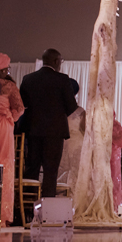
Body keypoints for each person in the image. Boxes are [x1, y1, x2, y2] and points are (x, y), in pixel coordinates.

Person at [19, 49, 78, 198]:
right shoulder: (63, 79)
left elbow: (23, 104)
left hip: (33, 131)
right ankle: (47, 209)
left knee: (31, 169)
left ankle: (28, 207)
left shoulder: (28, 79)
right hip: (54, 132)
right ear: (56, 61)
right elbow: (71, 107)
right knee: (50, 171)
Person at [0, 53, 24, 225]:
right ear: (1, 70)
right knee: (3, 166)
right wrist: (10, 117)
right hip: (2, 127)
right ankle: (3, 214)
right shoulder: (9, 86)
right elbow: (19, 109)